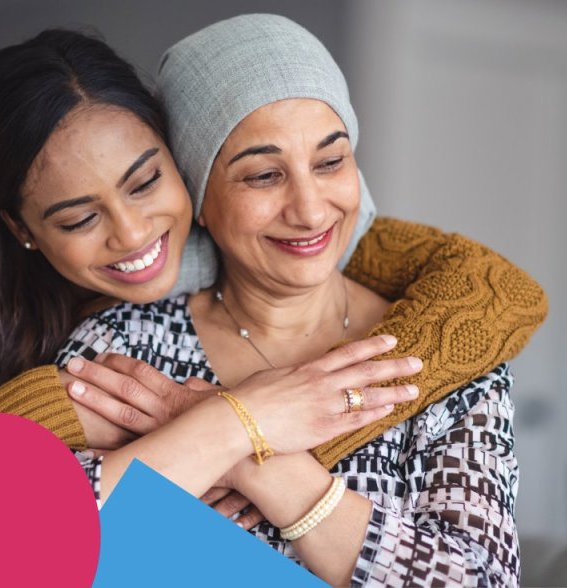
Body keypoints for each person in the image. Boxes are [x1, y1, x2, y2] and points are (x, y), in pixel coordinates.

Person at [0, 25, 545, 491]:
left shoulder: (285, 235)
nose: (135, 232)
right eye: (78, 217)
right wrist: (60, 407)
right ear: (21, 227)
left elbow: (499, 293)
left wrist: (301, 426)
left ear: (187, 165)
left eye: (146, 181)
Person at [55, 15, 539, 586]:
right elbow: (35, 547)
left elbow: (482, 580)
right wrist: (240, 426)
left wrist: (258, 465)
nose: (310, 210)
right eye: (263, 175)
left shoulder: (442, 356)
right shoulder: (121, 344)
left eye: (331, 161)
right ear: (198, 199)